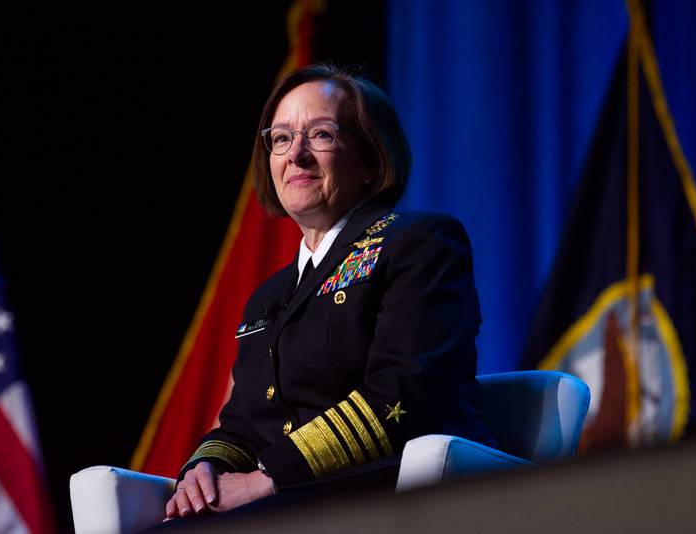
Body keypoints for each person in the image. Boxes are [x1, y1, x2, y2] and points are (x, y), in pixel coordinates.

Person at [163, 64, 493, 521]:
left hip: (377, 493)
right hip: (288, 500)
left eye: (321, 135)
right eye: (280, 139)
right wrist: (206, 466)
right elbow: (243, 420)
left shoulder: (419, 243)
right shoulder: (268, 296)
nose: (295, 155)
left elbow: (404, 394)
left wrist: (264, 481)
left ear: (372, 160)